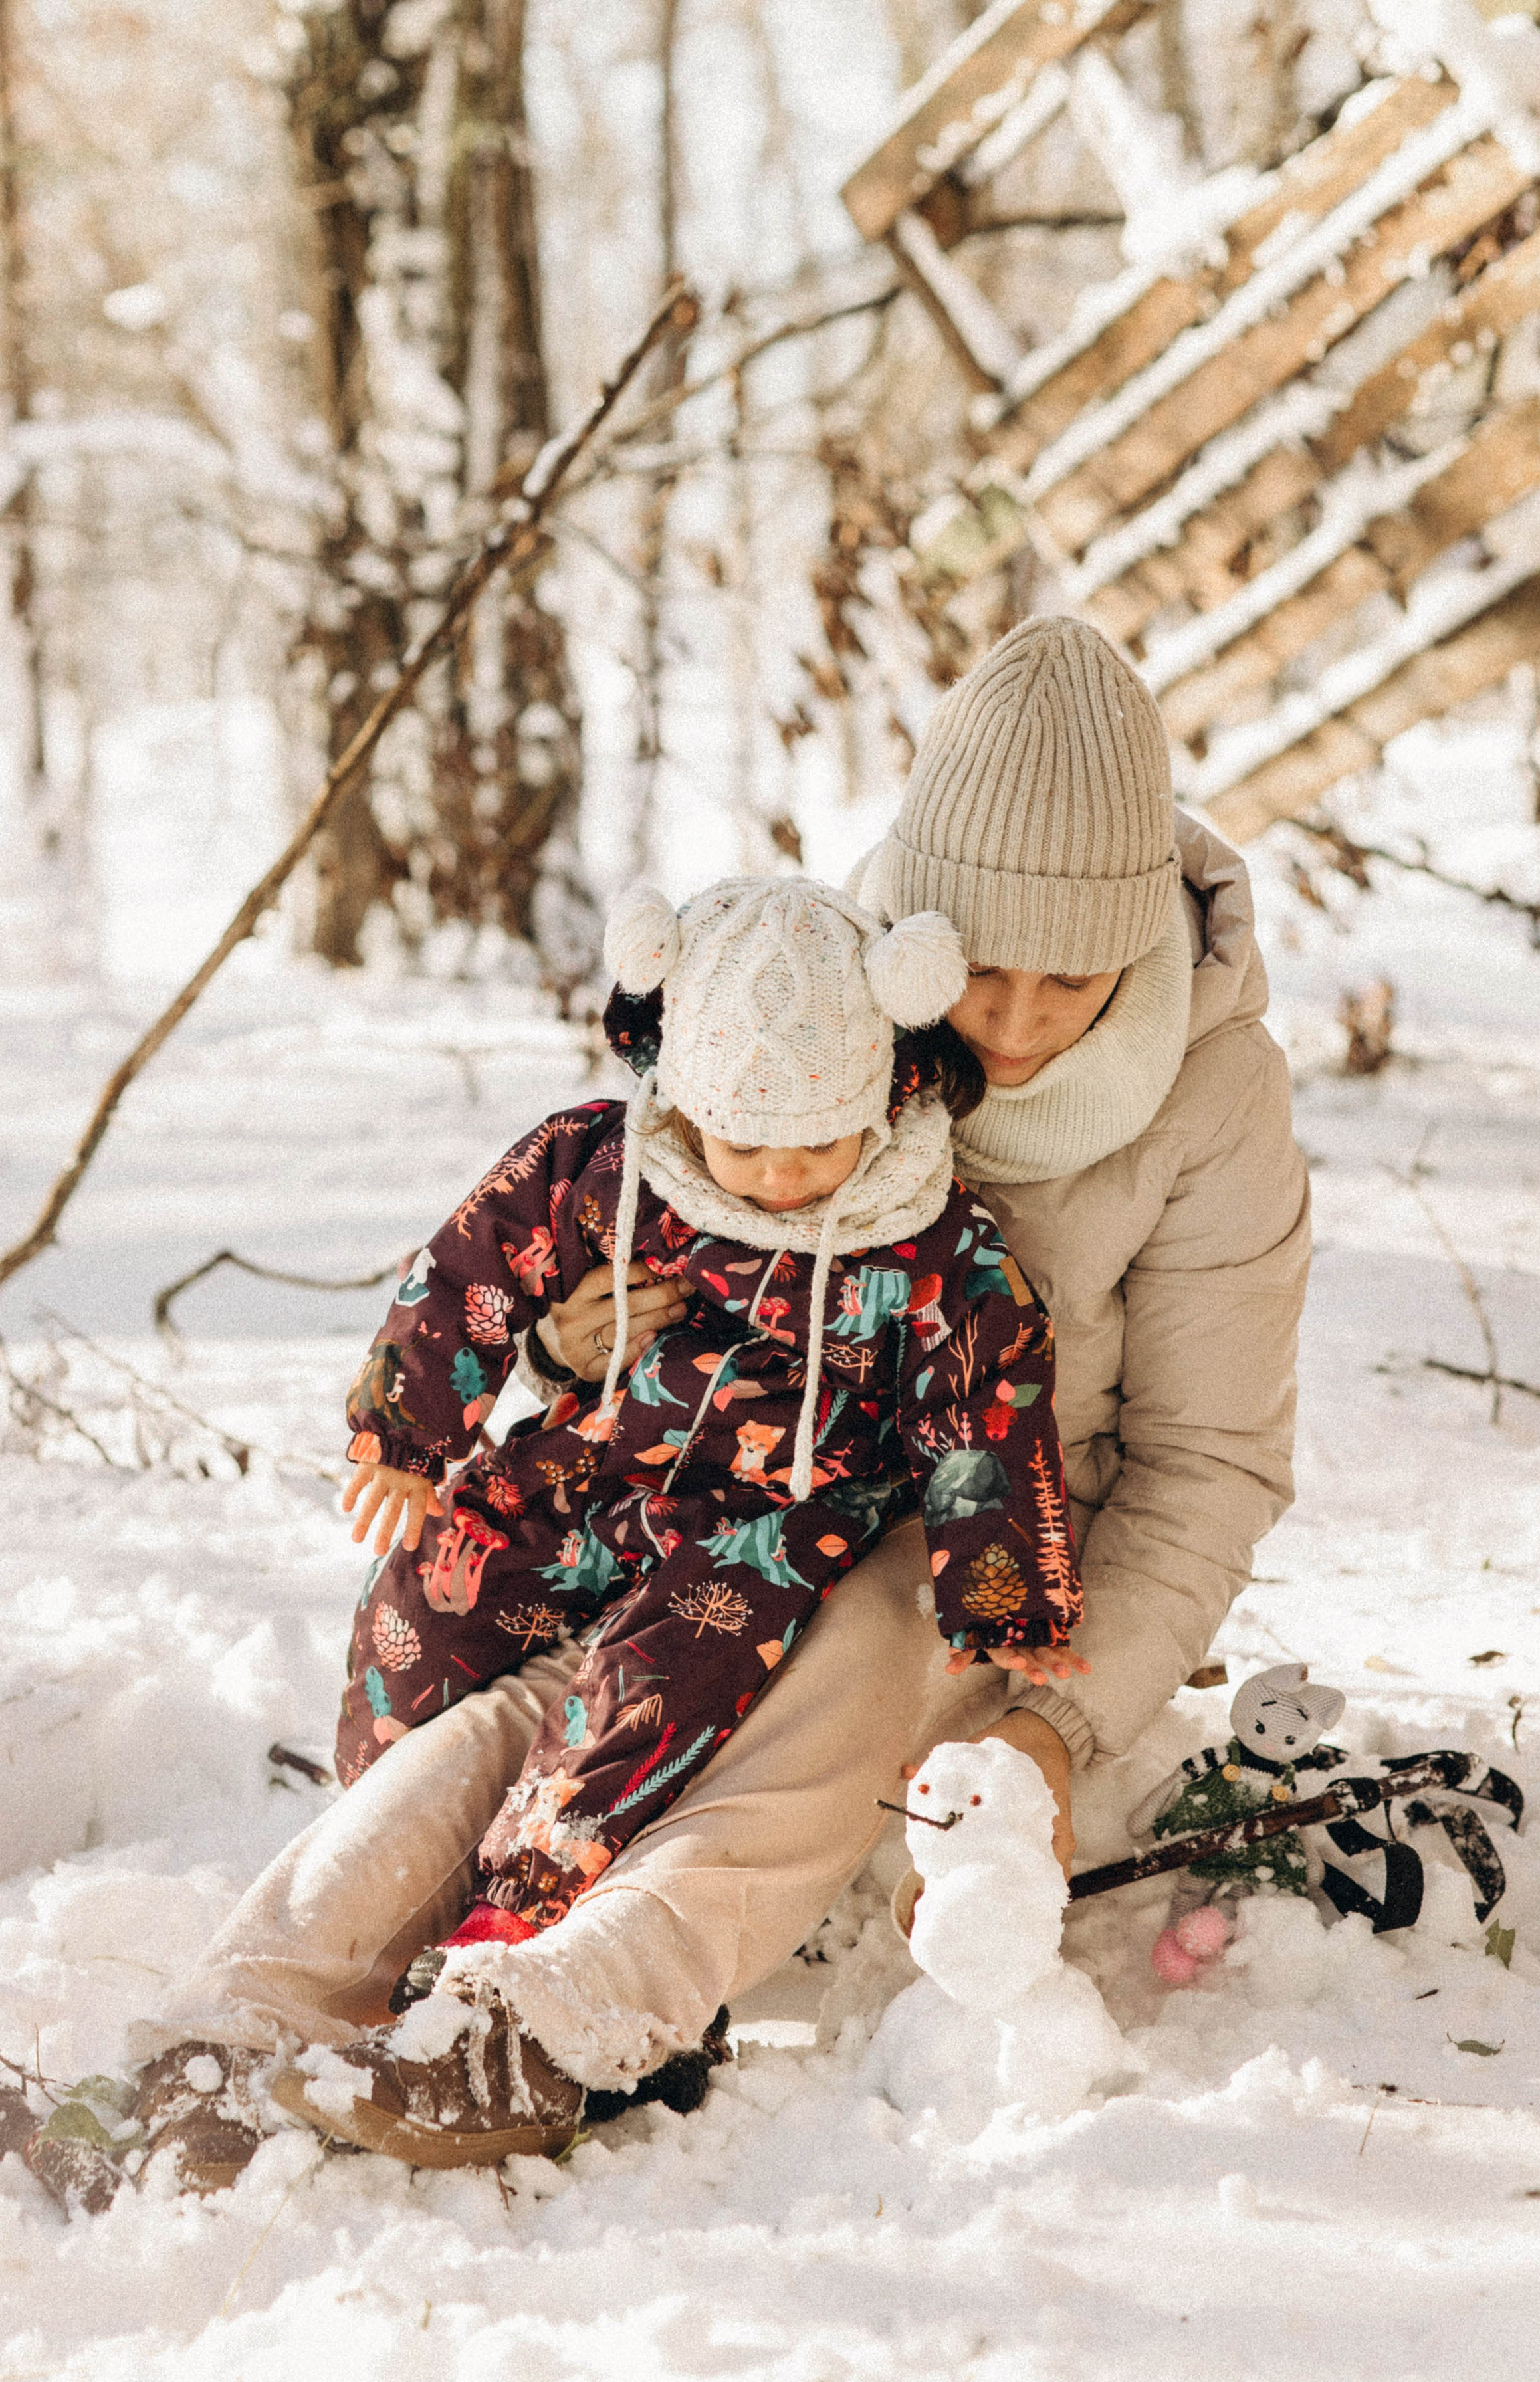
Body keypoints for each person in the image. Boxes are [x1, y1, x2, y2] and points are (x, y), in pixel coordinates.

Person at [97, 614, 1307, 2195]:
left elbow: (1209, 1468)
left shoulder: (1213, 1099)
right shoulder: (801, 987)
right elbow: (612, 1204)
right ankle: (246, 2014)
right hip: (691, 1491)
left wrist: (1050, 1717)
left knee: (837, 1654)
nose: (1007, 1027)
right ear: (912, 935)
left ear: (1140, 942)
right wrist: (565, 1358)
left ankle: (570, 2011)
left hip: (979, 1535)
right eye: (977, 971)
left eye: (1064, 979)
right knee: (547, 1701)